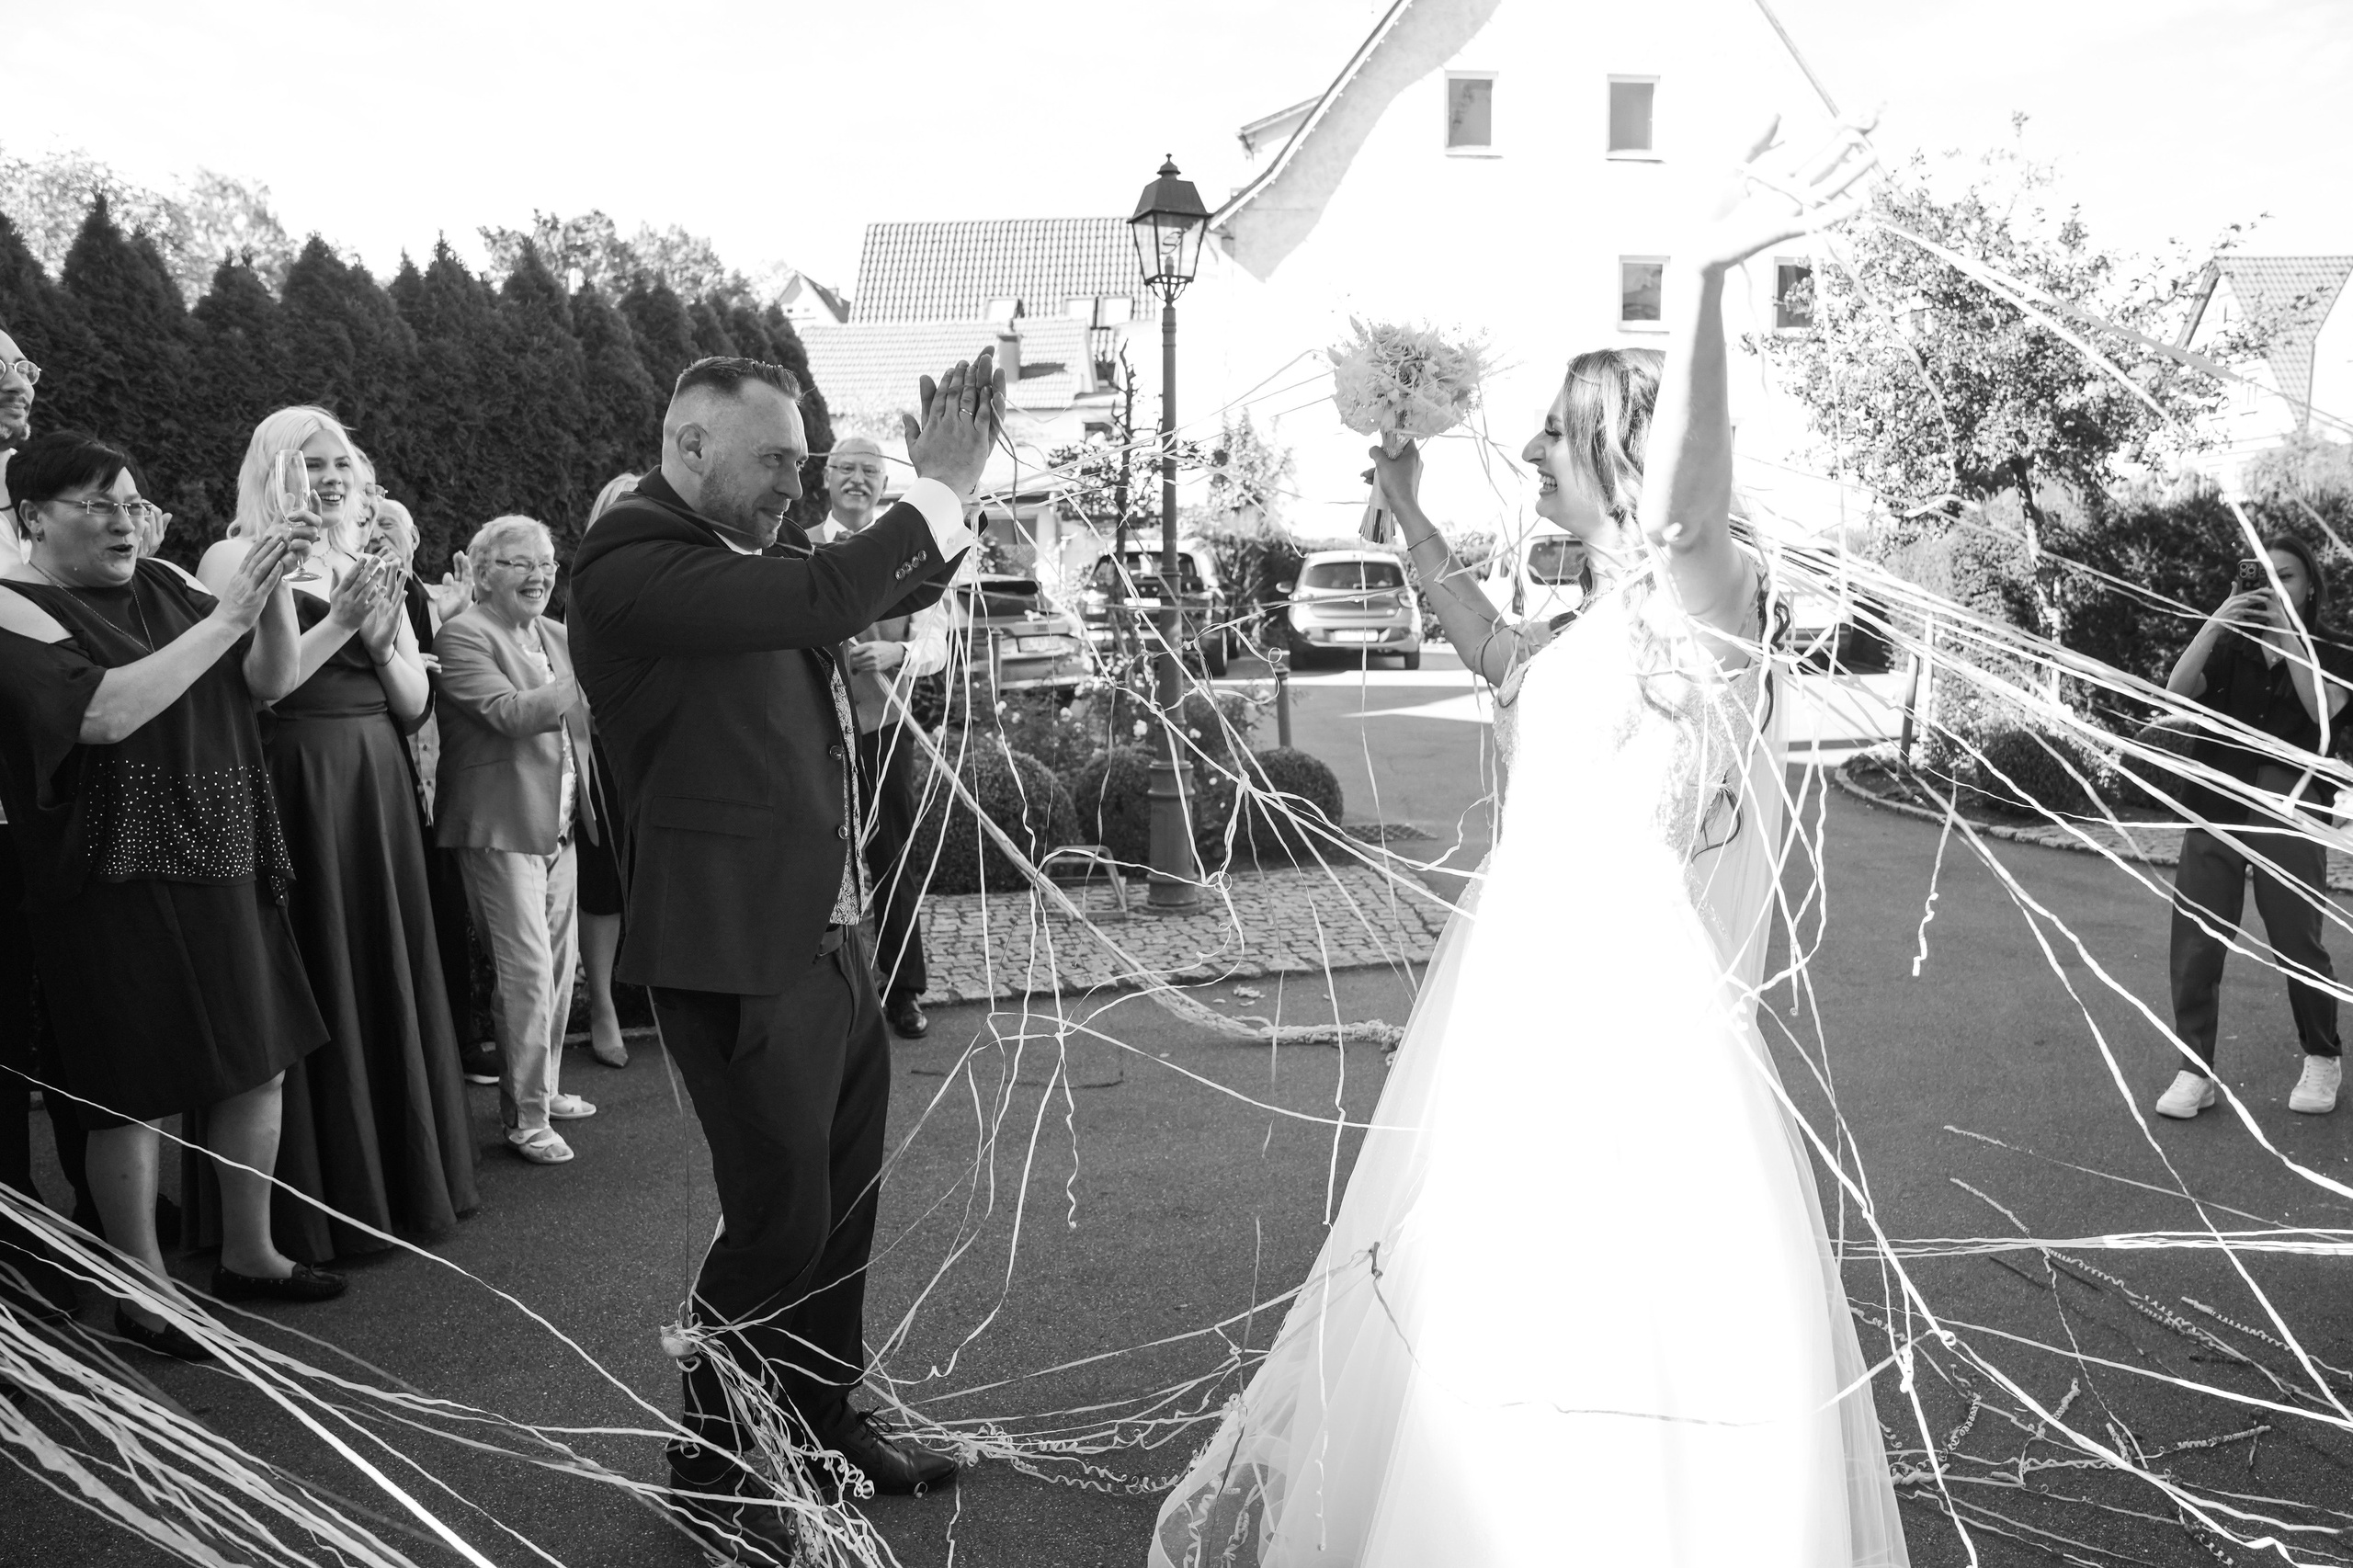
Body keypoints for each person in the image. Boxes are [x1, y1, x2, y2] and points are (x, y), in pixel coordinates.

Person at [1149, 119, 1904, 1567]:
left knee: (1621, 1300)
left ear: (1617, 448)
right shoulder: (1594, 626)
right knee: (1496, 1297)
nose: (1534, 448)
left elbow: (1687, 497)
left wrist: (1691, 281)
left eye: (1557, 430)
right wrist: (1414, 519)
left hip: (1630, 1022)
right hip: (1520, 1002)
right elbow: (1498, 649)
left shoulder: (1703, 594)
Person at [569, 351, 995, 1559]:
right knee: (778, 1218)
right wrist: (936, 487)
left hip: (833, 932)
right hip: (735, 947)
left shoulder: (745, 563)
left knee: (842, 1206)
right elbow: (826, 598)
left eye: (803, 465)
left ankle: (819, 1423)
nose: (792, 486)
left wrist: (952, 498)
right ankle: (707, 1453)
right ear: (689, 443)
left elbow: (865, 595)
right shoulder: (629, 562)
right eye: (774, 461)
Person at [0, 431, 349, 1360]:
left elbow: (269, 680)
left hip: (222, 843)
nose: (124, 521)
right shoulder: (14, 602)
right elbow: (103, 710)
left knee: (256, 1057)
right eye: (97, 504)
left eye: (133, 503)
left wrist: (274, 587)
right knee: (130, 1085)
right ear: (33, 515)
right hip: (106, 873)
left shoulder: (168, 582)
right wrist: (233, 611)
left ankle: (250, 1250)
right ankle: (143, 1287)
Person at [193, 407, 477, 1265]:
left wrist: (386, 635)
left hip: (377, 780)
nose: (328, 478)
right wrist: (345, 622)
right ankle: (300, 1206)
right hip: (293, 779)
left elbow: (416, 703)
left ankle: (401, 1180)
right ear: (270, 470)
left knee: (384, 958)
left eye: (339, 464)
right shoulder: (234, 556)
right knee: (309, 963)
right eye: (307, 463)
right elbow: (258, 692)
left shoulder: (365, 558)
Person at [2156, 535, 2350, 1119]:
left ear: (2310, 586)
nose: (2273, 588)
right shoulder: (2228, 649)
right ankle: (2196, 1069)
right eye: (2262, 578)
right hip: (2213, 805)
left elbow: (2324, 713)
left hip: (2289, 815)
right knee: (2195, 945)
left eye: (2285, 578)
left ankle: (2322, 1055)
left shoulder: (2333, 653)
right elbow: (2175, 692)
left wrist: (2286, 634)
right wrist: (2217, 621)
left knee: (2297, 942)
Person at [433, 516, 599, 1165]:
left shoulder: (555, 635)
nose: (539, 575)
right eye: (520, 563)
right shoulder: (462, 635)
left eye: (548, 563)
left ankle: (546, 1086)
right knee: (526, 972)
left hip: (558, 826)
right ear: (481, 573)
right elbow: (509, 714)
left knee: (559, 969)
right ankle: (526, 1117)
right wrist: (586, 678)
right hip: (500, 828)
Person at [813, 436, 958, 1039]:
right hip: (814, 736)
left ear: (882, 483)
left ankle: (903, 991)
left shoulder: (909, 555)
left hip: (883, 728)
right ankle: (827, 993)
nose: (857, 479)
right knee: (820, 861)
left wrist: (897, 650)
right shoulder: (796, 548)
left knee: (894, 854)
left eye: (869, 470)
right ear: (825, 478)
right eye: (845, 468)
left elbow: (938, 641)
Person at [574, 472, 639, 1070]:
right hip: (605, 754)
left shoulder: (679, 580)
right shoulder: (585, 588)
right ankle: (602, 1007)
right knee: (603, 884)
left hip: (667, 755)